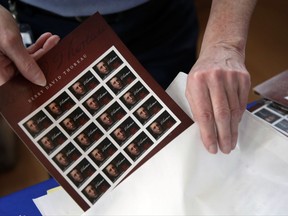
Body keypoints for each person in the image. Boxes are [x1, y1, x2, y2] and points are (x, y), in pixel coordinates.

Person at [0, 0, 258, 155]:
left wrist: (226, 42)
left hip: (160, 22)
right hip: (47, 30)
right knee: (79, 158)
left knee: (179, 150)